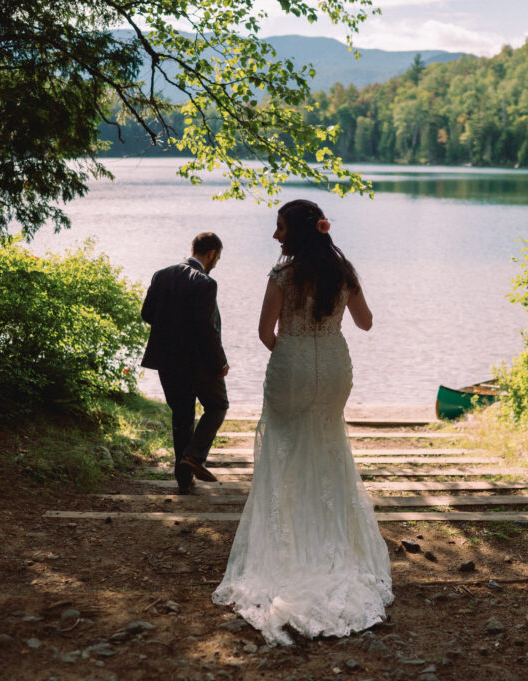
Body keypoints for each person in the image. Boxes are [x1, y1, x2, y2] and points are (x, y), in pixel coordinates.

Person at [212, 200, 392, 645]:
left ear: (296, 232)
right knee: (329, 446)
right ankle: (332, 547)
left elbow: (264, 333)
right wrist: (327, 331)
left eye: (279, 228)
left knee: (284, 452)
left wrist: (292, 351)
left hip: (291, 362)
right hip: (333, 365)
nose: (276, 237)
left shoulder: (282, 276)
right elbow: (366, 324)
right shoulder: (344, 271)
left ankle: (288, 547)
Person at [140, 232, 229, 494]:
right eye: (217, 258)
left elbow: (147, 314)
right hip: (198, 362)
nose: (215, 263)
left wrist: (171, 326)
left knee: (182, 415)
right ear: (211, 253)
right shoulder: (206, 283)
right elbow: (207, 329)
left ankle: (183, 480)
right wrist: (220, 362)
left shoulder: (161, 274)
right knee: (218, 405)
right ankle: (194, 455)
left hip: (167, 360)